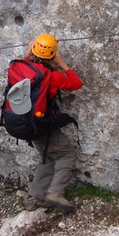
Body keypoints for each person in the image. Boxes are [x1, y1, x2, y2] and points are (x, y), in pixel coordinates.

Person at [22, 33, 83, 213]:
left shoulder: (23, 67)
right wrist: (62, 64)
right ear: (53, 55)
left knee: (48, 157)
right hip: (41, 124)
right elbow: (76, 83)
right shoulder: (52, 76)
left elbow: (28, 59)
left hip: (23, 122)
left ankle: (34, 198)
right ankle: (56, 192)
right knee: (66, 154)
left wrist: (28, 52)